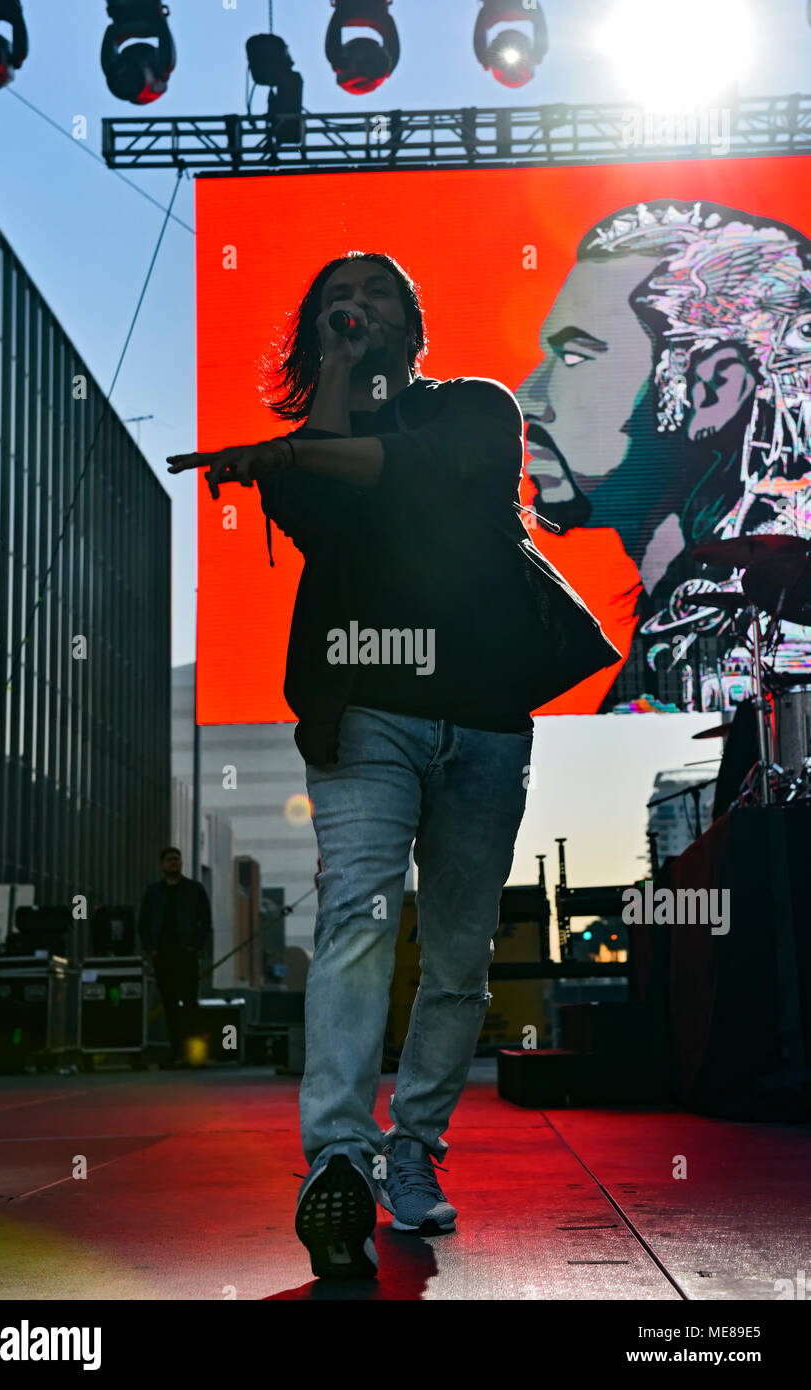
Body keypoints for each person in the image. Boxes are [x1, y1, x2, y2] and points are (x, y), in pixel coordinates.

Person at [167, 250, 619, 1280]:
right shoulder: (310, 450)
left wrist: (291, 454)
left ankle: (413, 1147)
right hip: (366, 711)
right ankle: (339, 1158)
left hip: (486, 718)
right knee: (357, 914)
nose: (354, 307)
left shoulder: (476, 407)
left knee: (457, 960)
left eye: (374, 296)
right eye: (336, 299)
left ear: (414, 327)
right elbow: (330, 511)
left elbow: (427, 479)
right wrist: (324, 396)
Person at [516, 198, 811, 710]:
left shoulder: (781, 630)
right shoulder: (684, 617)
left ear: (714, 389)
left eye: (574, 354)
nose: (525, 397)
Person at [138, 847, 212, 1068]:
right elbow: (143, 923)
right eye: (169, 860)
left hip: (186, 954)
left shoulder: (194, 889)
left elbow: (205, 921)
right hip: (163, 956)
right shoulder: (153, 892)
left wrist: (195, 947)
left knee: (189, 1005)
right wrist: (150, 948)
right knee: (170, 1006)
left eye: (177, 859)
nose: (174, 863)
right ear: (162, 865)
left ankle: (193, 1055)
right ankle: (175, 1053)